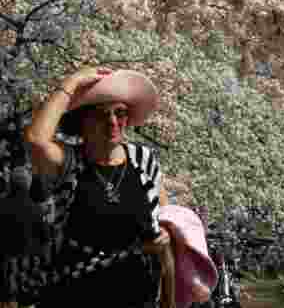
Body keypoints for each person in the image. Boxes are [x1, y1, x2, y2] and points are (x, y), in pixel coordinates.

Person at [18, 66, 175, 308]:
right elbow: (36, 140)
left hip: (138, 296)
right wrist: (72, 83)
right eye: (101, 114)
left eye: (120, 113)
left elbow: (167, 236)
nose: (112, 122)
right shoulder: (68, 162)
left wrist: (169, 300)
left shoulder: (144, 161)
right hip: (75, 295)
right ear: (83, 121)